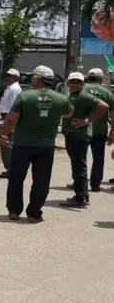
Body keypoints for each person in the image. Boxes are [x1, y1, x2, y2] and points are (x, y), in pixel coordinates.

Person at [0, 66, 71, 222]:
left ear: (38, 78)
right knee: (41, 180)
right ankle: (34, 213)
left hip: (22, 144)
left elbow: (11, 119)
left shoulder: (24, 97)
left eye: (33, 77)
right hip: (45, 146)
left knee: (16, 178)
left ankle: (14, 210)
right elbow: (69, 112)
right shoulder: (60, 99)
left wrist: (4, 134)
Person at [60, 72, 109, 207]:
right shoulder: (74, 96)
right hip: (73, 134)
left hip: (78, 135)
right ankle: (82, 195)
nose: (75, 84)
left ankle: (80, 197)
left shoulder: (84, 96)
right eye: (72, 82)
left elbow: (103, 106)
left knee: (79, 166)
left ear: (83, 84)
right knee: (78, 165)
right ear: (68, 83)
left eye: (78, 82)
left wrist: (87, 121)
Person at [82, 68, 114, 193]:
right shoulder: (108, 93)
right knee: (98, 158)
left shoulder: (82, 90)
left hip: (82, 130)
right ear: (101, 79)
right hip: (100, 130)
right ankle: (95, 185)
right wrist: (112, 132)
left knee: (80, 158)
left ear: (88, 78)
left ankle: (79, 183)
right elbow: (113, 114)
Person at [0, 69, 22, 178]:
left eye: (10, 76)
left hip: (8, 117)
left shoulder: (14, 89)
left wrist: (6, 121)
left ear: (16, 77)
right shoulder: (11, 88)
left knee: (6, 142)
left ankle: (11, 169)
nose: (8, 78)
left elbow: (13, 107)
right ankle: (10, 168)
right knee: (6, 143)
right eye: (7, 76)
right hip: (6, 116)